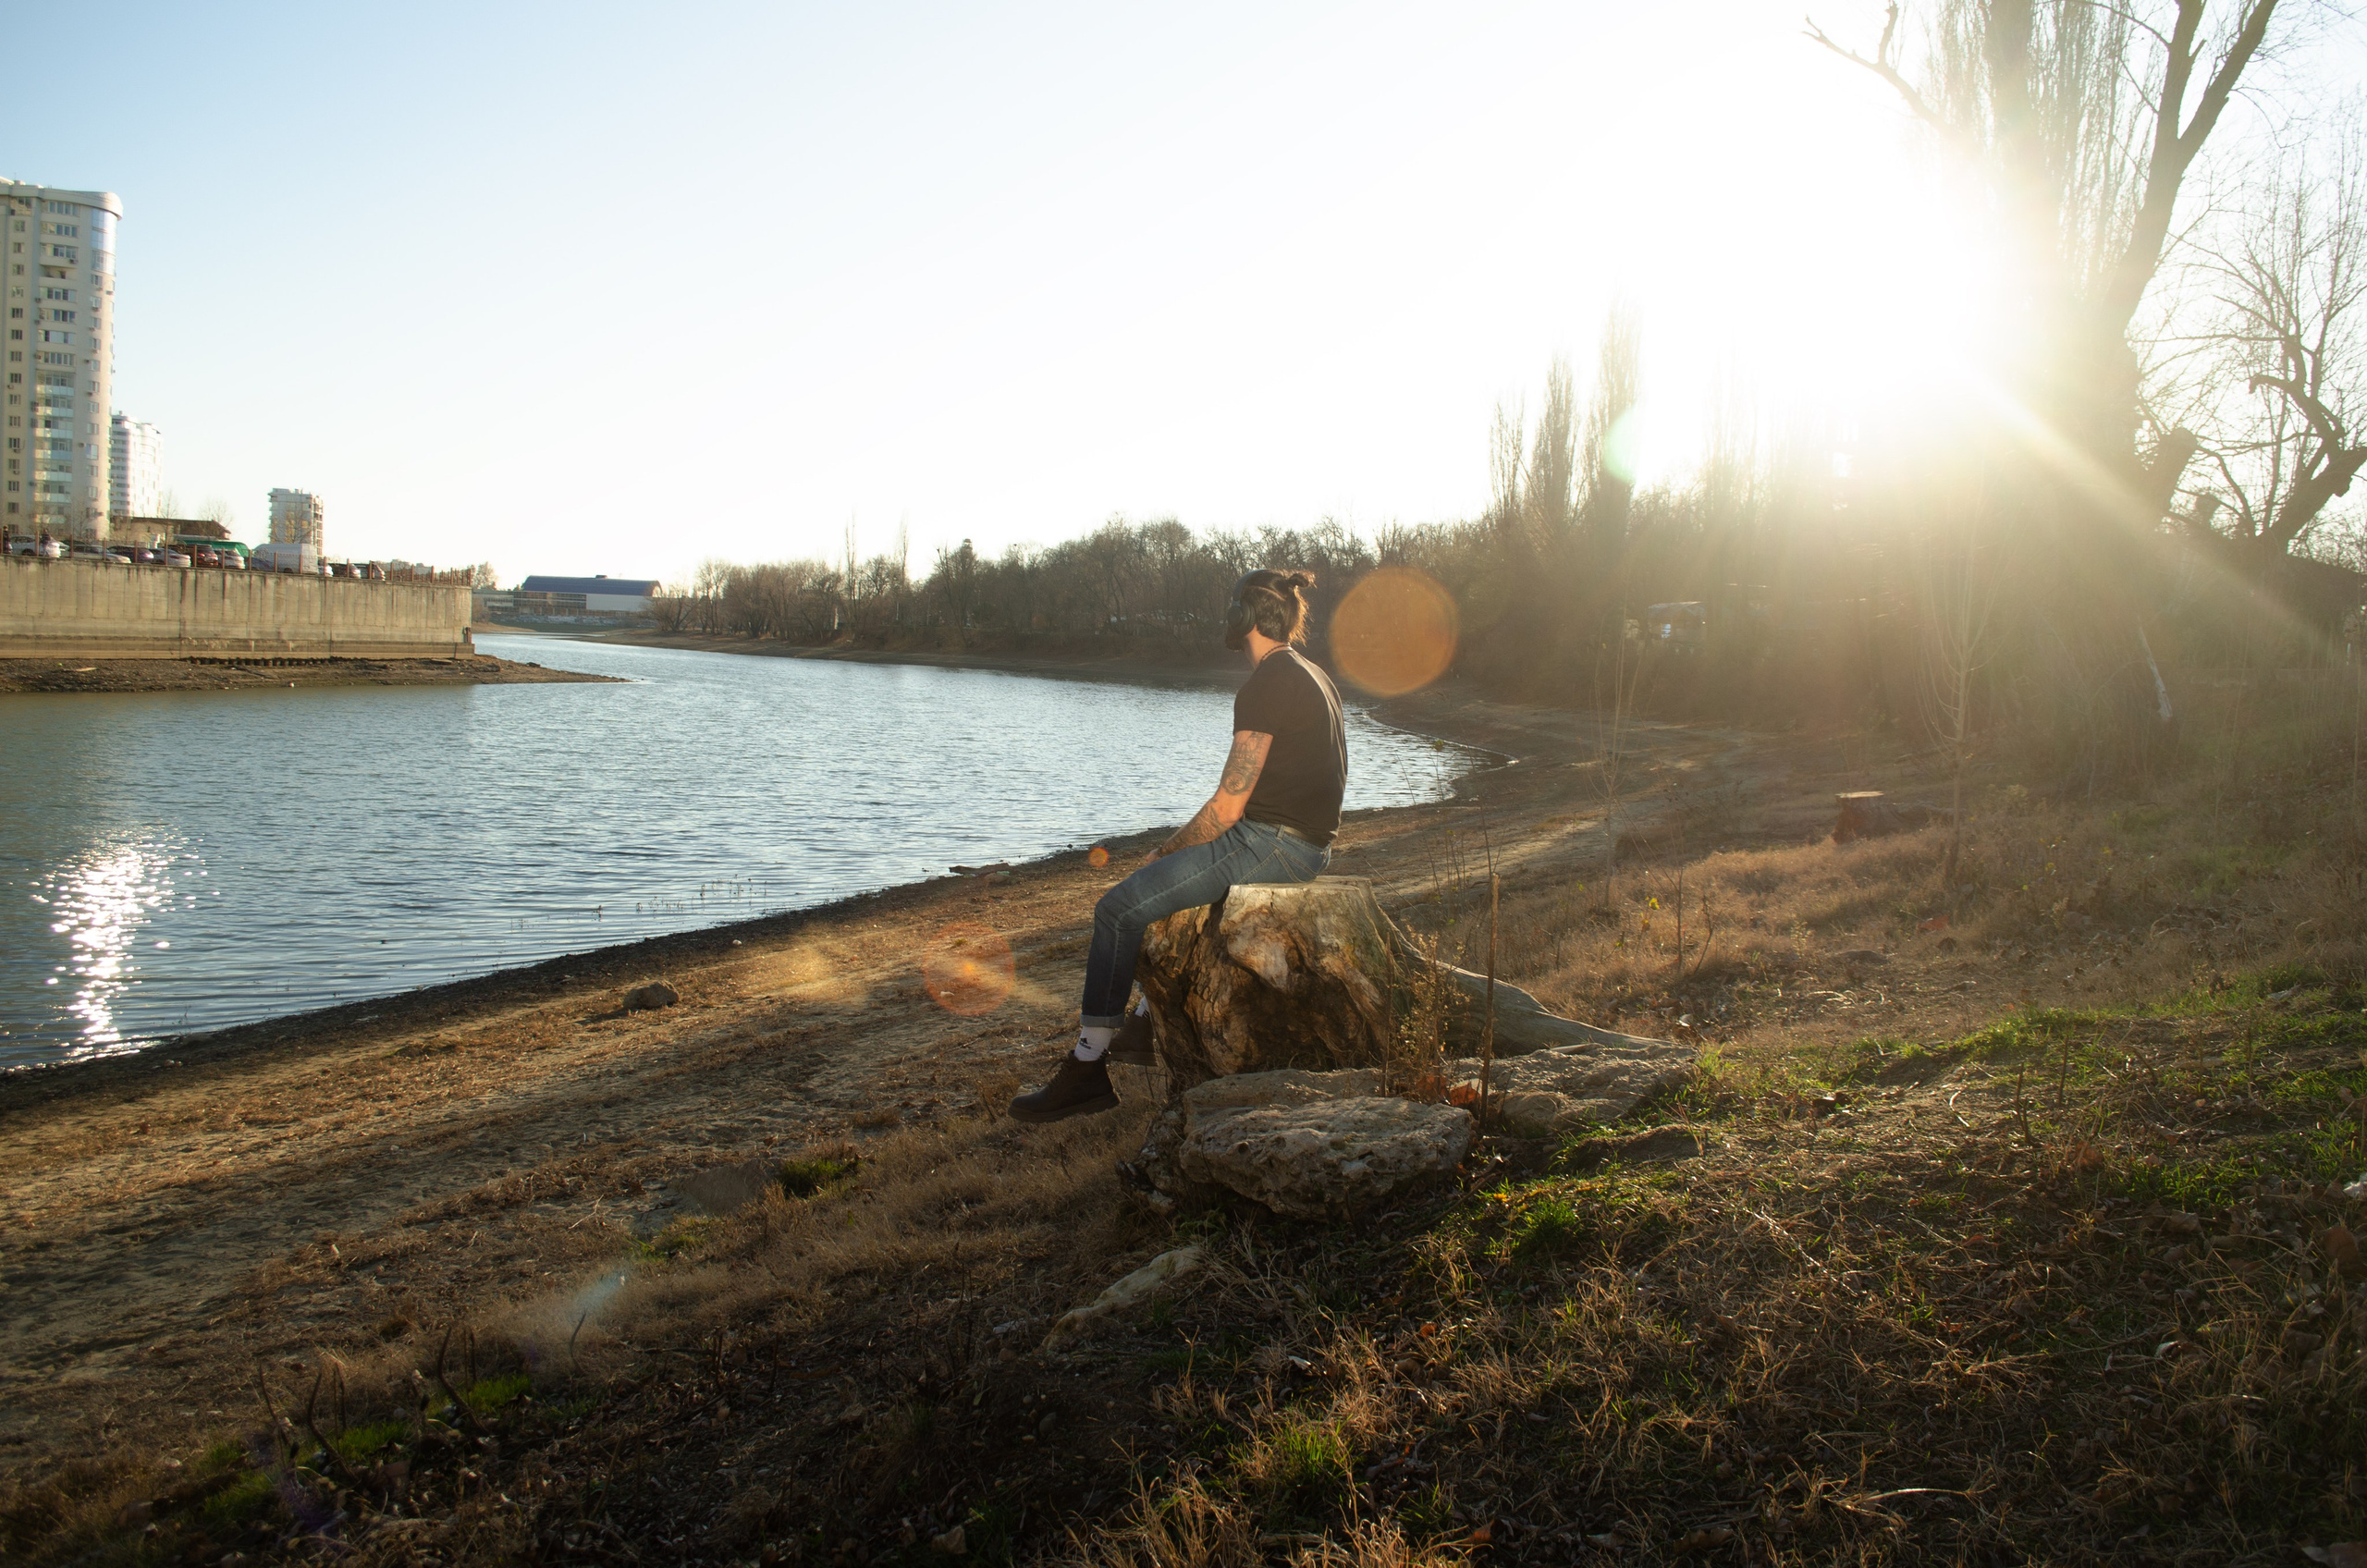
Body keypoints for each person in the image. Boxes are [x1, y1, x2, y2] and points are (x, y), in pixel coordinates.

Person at [1011, 569, 1348, 1122]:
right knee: (1175, 899)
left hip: (1274, 844)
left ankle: (1086, 1068)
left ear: (1241, 618)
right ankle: (1143, 1023)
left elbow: (1227, 807)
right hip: (1303, 845)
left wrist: (1166, 851)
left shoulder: (1267, 682)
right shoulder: (1313, 674)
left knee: (1117, 909)